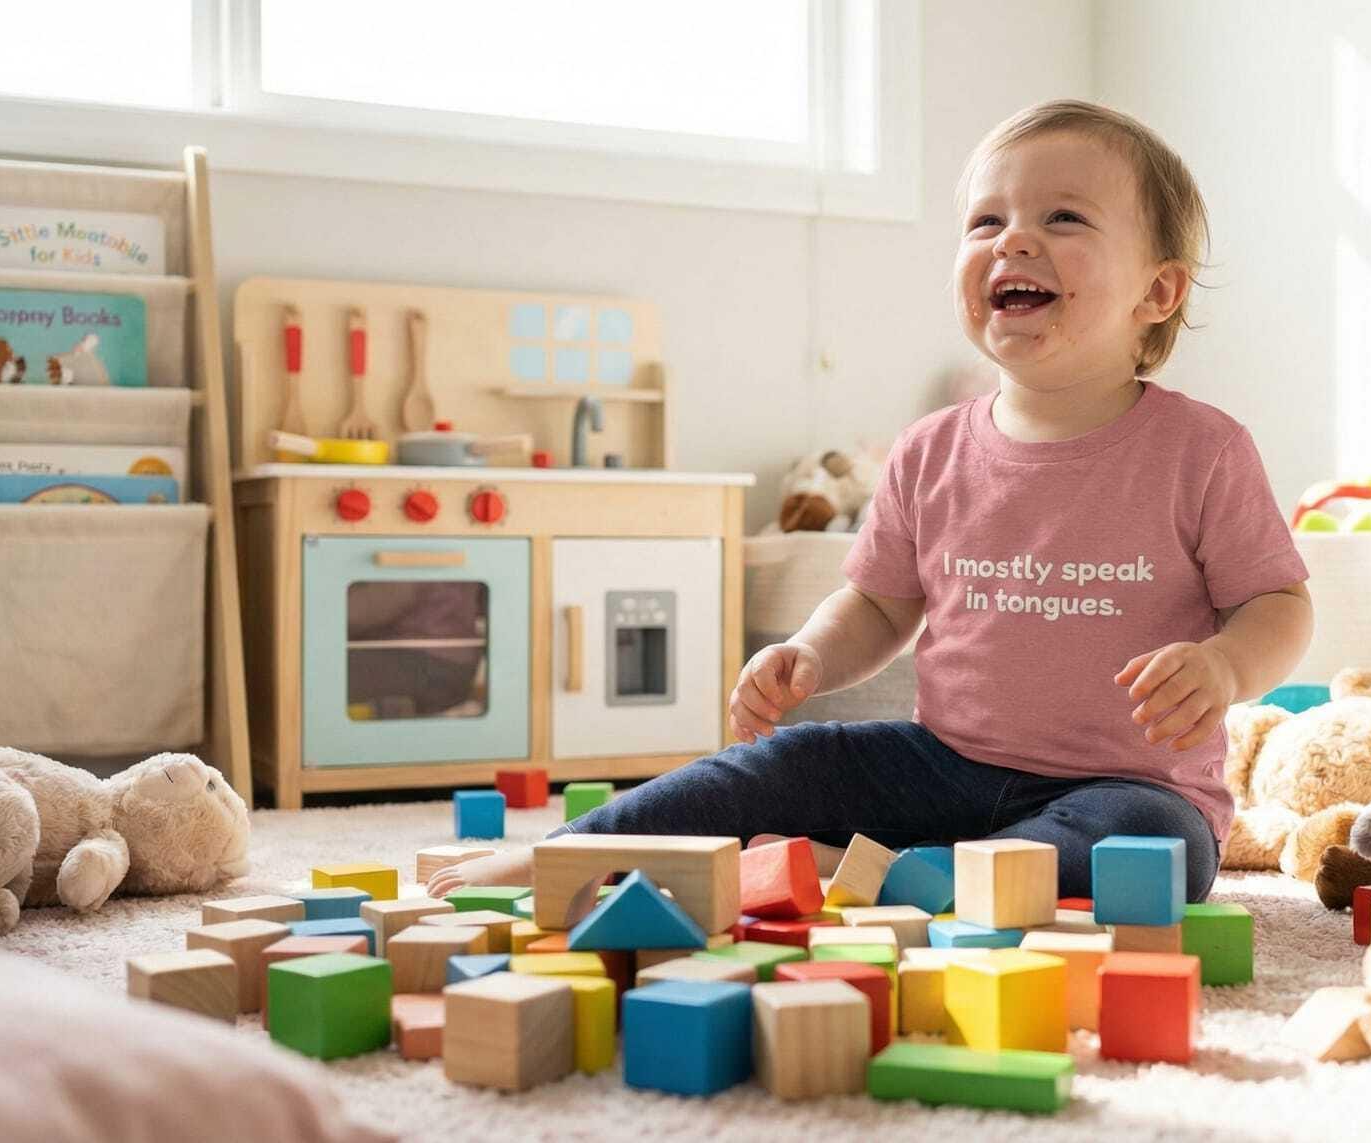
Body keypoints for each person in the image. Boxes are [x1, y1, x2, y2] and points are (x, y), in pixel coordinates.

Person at [431, 99, 1312, 903]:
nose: (1012, 241)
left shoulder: (1203, 450)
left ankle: (918, 876)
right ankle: (576, 850)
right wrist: (811, 653)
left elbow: (1278, 603)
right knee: (792, 758)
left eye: (1063, 218)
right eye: (985, 221)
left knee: (1158, 847)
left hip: (1124, 786)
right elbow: (880, 601)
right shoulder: (929, 450)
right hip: (944, 764)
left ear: (1157, 291)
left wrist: (1228, 666)